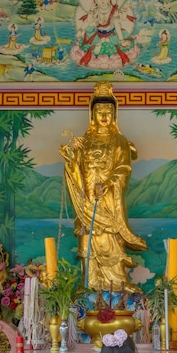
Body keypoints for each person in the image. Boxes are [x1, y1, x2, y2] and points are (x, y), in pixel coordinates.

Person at [60, 82, 148, 292]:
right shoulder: (84, 141)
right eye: (100, 111)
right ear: (92, 114)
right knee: (87, 242)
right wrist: (69, 159)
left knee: (112, 239)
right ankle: (89, 284)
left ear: (115, 114)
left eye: (109, 111)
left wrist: (109, 183)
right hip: (87, 199)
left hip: (109, 199)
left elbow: (124, 168)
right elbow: (76, 171)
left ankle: (118, 283)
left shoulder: (119, 141)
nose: (104, 115)